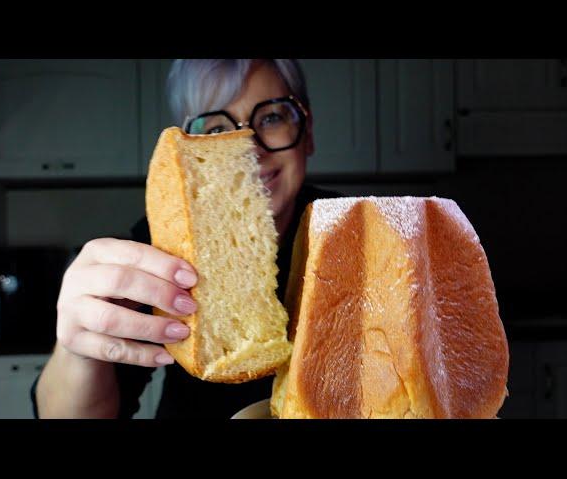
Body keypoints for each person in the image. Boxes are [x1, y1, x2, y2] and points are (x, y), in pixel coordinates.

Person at [31, 59, 342, 419]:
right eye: (215, 129)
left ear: (308, 131)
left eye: (271, 117)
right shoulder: (157, 248)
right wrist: (77, 352)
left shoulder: (356, 230)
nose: (250, 148)